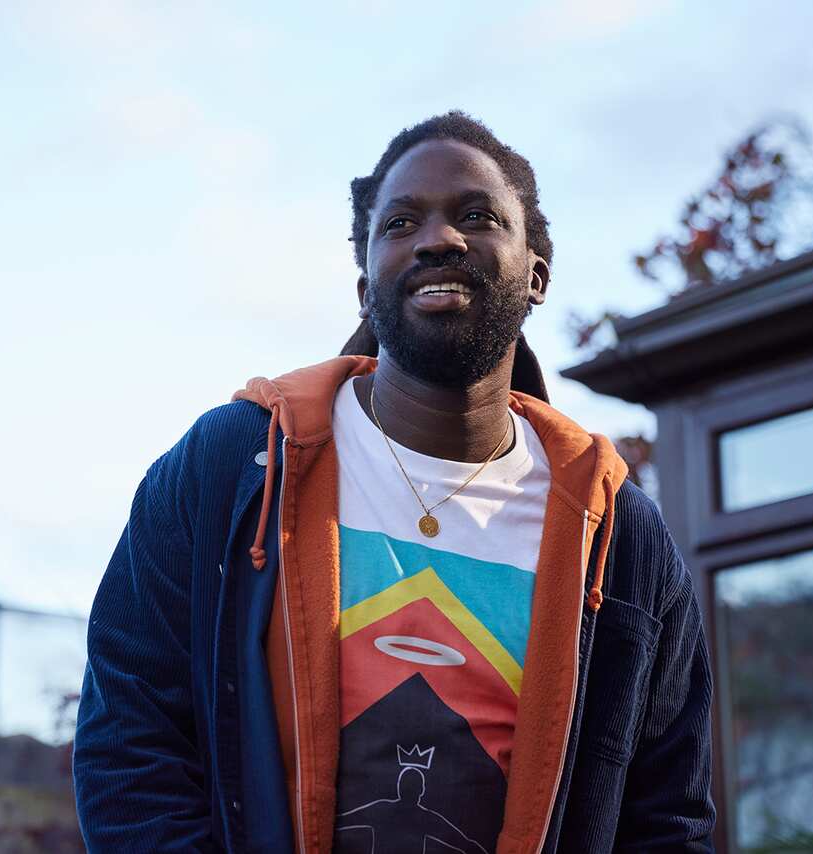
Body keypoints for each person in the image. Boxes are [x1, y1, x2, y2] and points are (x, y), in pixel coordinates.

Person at [72, 111, 716, 853]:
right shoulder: (231, 467)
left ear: (537, 275)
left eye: (476, 216)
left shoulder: (619, 536)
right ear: (364, 287)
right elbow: (131, 744)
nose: (439, 239)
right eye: (401, 222)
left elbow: (668, 818)